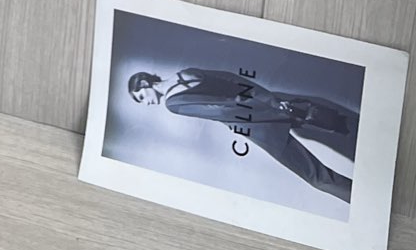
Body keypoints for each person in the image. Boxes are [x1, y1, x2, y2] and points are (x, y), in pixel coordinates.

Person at [128, 65, 359, 202]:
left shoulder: (172, 103)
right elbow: (234, 79)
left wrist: (269, 114)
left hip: (260, 126)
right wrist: (272, 101)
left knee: (318, 177)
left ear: (144, 84)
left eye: (141, 97)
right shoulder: (186, 72)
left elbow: (222, 111)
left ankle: (364, 203)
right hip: (270, 102)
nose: (146, 103)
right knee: (341, 125)